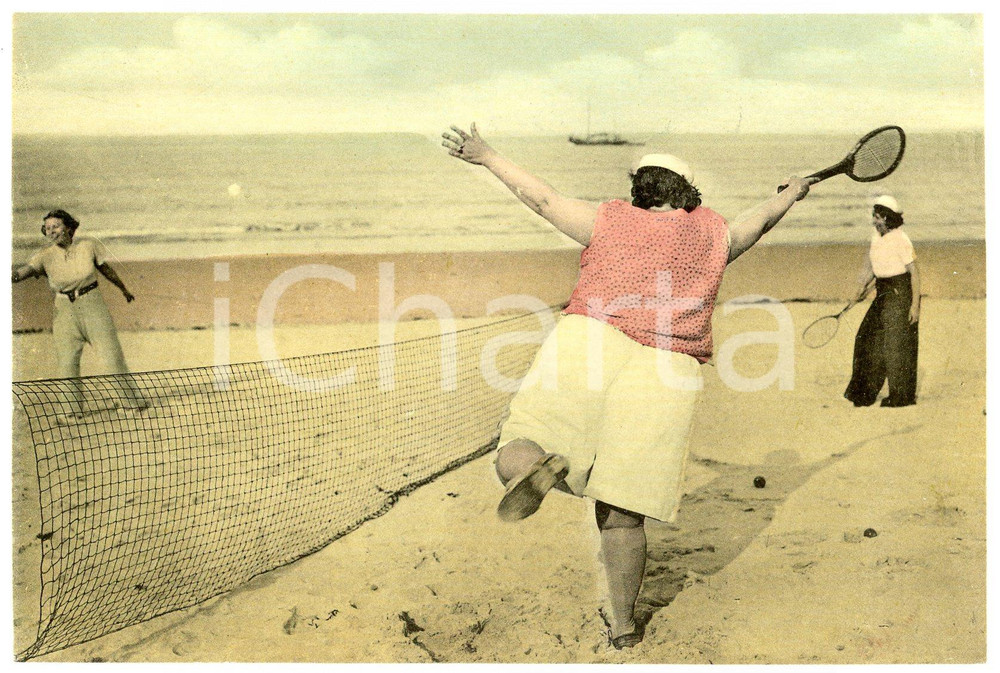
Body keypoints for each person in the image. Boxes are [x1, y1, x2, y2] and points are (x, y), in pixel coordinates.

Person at [441, 123, 815, 649]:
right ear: (686, 191)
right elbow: (762, 220)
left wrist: (486, 155)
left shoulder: (609, 219)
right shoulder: (713, 235)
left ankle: (535, 468)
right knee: (623, 509)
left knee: (521, 440)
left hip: (589, 340)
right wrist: (791, 194)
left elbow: (541, 197)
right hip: (667, 367)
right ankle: (622, 626)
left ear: (640, 187)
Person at [12, 209, 146, 415]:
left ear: (69, 227)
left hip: (93, 305)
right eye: (47, 229)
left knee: (112, 355)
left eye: (55, 226)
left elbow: (106, 270)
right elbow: (21, 274)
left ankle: (131, 403)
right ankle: (71, 411)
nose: (51, 231)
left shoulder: (89, 246)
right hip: (63, 311)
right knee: (67, 362)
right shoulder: (44, 257)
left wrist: (124, 289)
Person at [843, 195, 919, 407]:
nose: (874, 220)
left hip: (900, 293)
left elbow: (915, 274)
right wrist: (859, 292)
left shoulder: (901, 239)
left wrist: (915, 306)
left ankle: (901, 396)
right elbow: (873, 269)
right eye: (873, 216)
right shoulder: (876, 237)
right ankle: (863, 394)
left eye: (877, 217)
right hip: (883, 291)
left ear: (887, 218)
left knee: (896, 346)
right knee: (865, 338)